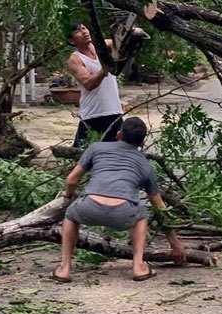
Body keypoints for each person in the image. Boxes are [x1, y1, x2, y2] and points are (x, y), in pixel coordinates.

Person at [51, 117, 187, 282]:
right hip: (123, 214)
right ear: (142, 143)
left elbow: (71, 180)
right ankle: (138, 266)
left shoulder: (96, 148)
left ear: (118, 134)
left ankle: (64, 268)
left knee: (71, 216)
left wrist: (68, 193)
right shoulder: (145, 165)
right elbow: (159, 207)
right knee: (141, 216)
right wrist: (175, 243)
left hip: (89, 208)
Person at [67, 21, 123, 146]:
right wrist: (105, 69)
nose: (84, 32)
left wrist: (129, 32)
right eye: (78, 31)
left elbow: (121, 42)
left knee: (116, 151)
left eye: (84, 28)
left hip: (114, 110)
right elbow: (88, 83)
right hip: (93, 114)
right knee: (83, 155)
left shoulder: (102, 45)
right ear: (71, 41)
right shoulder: (75, 59)